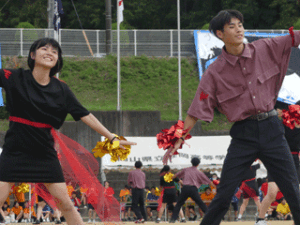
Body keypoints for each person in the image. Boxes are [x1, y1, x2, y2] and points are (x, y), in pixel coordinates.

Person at [167, 9, 300, 225]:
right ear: (220, 34)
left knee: (293, 192)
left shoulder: (265, 47)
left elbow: (294, 38)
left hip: (272, 130)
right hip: (243, 135)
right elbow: (196, 109)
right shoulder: (215, 72)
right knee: (223, 195)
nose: (238, 29)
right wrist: (179, 136)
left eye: (240, 24)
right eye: (231, 26)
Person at [0, 38, 136, 225]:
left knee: (65, 204)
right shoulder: (15, 77)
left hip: (44, 154)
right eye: (44, 48)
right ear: (33, 55)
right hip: (14, 151)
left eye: (54, 51)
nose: (49, 53)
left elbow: (84, 114)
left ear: (58, 59)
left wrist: (111, 136)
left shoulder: (61, 89)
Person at [258, 100, 300, 222]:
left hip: (293, 159)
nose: (278, 112)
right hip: (276, 158)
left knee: (295, 193)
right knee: (271, 192)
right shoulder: (278, 123)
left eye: (279, 110)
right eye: (277, 110)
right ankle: (260, 219)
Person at [170, 157, 213, 223]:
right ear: (198, 164)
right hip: (193, 189)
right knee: (201, 203)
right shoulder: (199, 172)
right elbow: (208, 181)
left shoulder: (186, 169)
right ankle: (210, 217)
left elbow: (175, 175)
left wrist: (172, 178)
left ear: (191, 162)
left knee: (179, 204)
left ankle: (173, 219)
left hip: (185, 188)